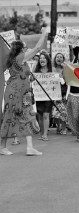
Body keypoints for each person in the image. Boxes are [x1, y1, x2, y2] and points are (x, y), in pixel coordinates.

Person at [0, 28, 48, 156]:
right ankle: (26, 148)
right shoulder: (20, 57)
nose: (27, 49)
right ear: (20, 49)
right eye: (25, 47)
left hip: (16, 92)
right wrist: (43, 33)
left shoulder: (16, 60)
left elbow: (21, 75)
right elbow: (38, 48)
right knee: (25, 116)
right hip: (18, 93)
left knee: (13, 117)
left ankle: (14, 147)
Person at [34, 52, 53, 141]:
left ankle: (45, 134)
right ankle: (42, 133)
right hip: (38, 96)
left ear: (47, 60)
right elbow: (31, 80)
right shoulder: (36, 71)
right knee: (40, 115)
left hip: (48, 97)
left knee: (46, 114)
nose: (42, 59)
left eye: (44, 58)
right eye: (40, 58)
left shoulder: (51, 71)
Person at [52, 53, 68, 135]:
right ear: (55, 59)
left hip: (63, 92)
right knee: (56, 112)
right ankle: (58, 126)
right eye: (57, 57)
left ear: (63, 59)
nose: (59, 58)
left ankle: (64, 128)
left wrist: (64, 69)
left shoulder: (65, 68)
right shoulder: (52, 69)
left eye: (61, 57)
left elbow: (66, 80)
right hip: (55, 92)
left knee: (64, 111)